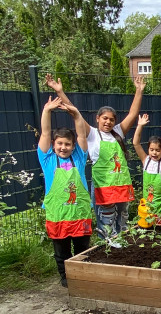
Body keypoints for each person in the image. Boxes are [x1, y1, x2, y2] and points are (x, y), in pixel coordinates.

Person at [45, 74, 145, 238]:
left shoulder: (118, 132)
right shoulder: (91, 134)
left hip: (121, 184)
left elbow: (133, 114)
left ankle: (124, 245)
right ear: (98, 118)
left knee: (123, 218)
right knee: (106, 221)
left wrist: (139, 91)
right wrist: (60, 92)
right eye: (105, 118)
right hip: (103, 187)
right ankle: (106, 248)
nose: (108, 122)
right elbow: (74, 113)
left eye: (112, 119)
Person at [38, 95, 91, 287]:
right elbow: (44, 133)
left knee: (82, 249)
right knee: (61, 252)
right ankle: (66, 278)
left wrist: (76, 115)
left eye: (67, 144)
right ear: (53, 145)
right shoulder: (48, 160)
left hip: (80, 213)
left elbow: (82, 135)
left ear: (73, 146)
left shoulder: (79, 157)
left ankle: (82, 277)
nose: (63, 147)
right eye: (59, 144)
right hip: (58, 215)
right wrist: (47, 110)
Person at [132, 114, 161, 225]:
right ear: (148, 149)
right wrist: (140, 126)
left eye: (157, 150)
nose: (154, 152)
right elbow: (136, 143)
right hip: (147, 212)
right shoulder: (145, 160)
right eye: (151, 149)